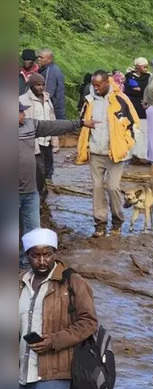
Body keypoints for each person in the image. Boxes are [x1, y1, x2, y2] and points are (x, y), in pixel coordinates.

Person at [19, 228, 100, 389]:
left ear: (56, 253)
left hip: (58, 372)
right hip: (23, 373)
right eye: (35, 255)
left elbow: (89, 322)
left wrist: (54, 341)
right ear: (27, 255)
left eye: (47, 254)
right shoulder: (19, 283)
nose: (42, 261)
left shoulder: (72, 281)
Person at [76, 70, 140, 237]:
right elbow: (82, 123)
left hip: (116, 154)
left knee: (113, 187)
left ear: (106, 83)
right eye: (93, 85)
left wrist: (127, 146)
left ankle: (117, 221)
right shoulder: (89, 101)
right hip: (96, 152)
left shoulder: (120, 99)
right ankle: (100, 224)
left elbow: (134, 124)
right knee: (97, 188)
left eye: (98, 85)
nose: (95, 89)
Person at [19, 104, 86, 256]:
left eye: (23, 111)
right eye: (20, 112)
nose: (23, 114)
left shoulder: (30, 125)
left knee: (33, 233)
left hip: (30, 191)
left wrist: (79, 123)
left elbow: (53, 126)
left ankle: (26, 264)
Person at [20, 74, 58, 205]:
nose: (41, 87)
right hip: (33, 142)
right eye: (38, 85)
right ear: (31, 85)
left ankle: (42, 195)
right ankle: (38, 199)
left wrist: (55, 140)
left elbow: (52, 119)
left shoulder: (47, 99)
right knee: (38, 172)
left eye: (42, 85)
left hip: (47, 141)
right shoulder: (23, 100)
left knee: (47, 170)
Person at [37, 49, 66, 119]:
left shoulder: (50, 72)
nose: (39, 59)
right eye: (38, 57)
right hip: (58, 110)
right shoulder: (52, 69)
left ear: (49, 59)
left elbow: (46, 94)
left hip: (53, 111)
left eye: (41, 57)